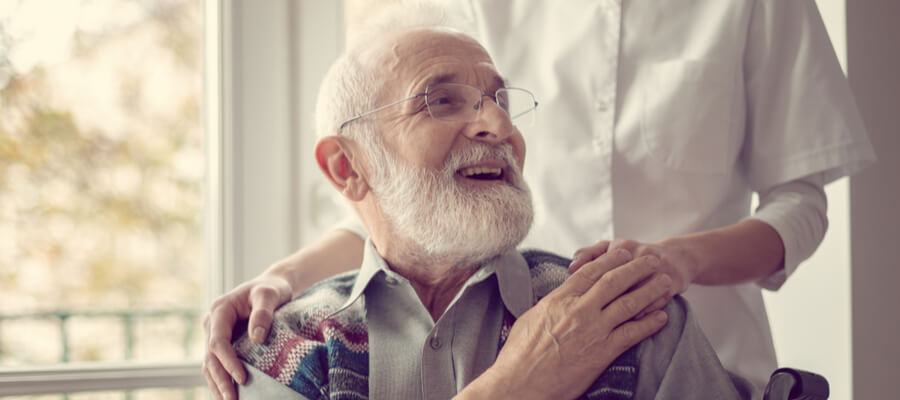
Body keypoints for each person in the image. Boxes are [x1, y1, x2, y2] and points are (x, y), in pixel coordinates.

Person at [203, 0, 876, 397]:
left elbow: (801, 202)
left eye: (500, 101)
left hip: (677, 343)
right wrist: (282, 279)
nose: (497, 124)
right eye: (450, 99)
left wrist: (677, 264)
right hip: (497, 333)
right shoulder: (303, 352)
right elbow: (410, 190)